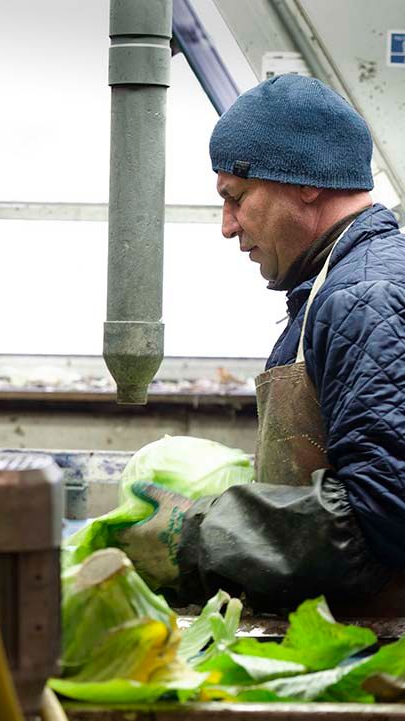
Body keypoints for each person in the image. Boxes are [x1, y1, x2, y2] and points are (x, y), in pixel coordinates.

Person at [117, 74, 405, 613]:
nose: (228, 226)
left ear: (305, 182)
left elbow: (387, 510)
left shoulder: (366, 295)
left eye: (236, 197)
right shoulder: (338, 286)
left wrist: (199, 535)